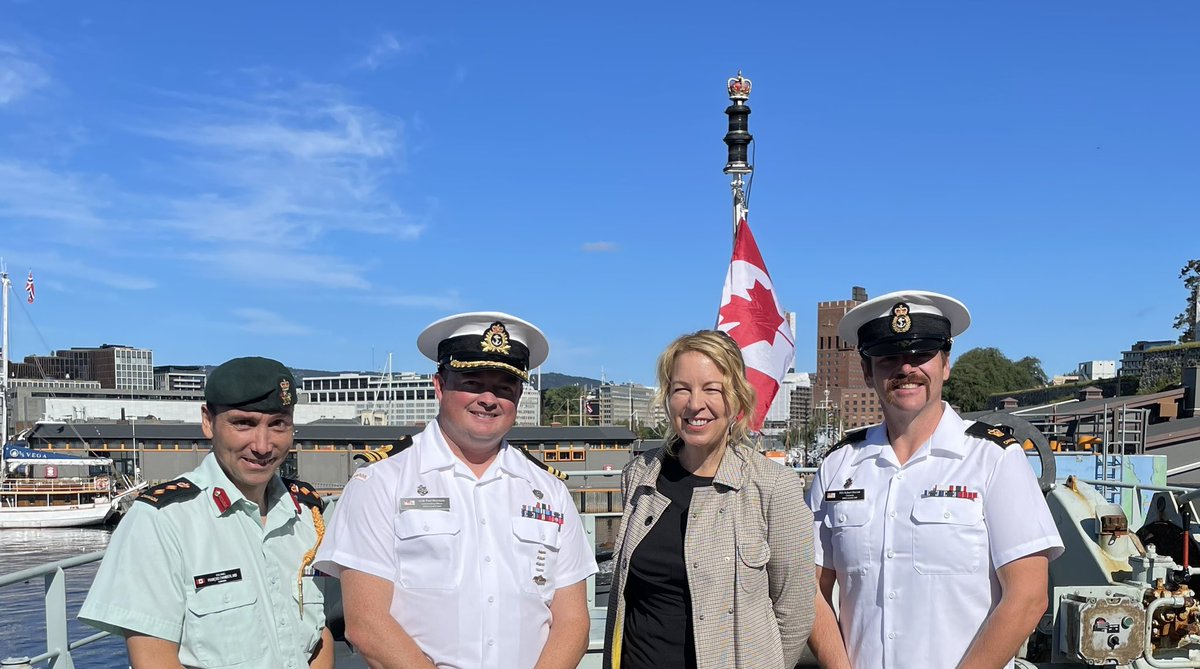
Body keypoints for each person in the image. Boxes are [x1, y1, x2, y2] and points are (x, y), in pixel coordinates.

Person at [314, 312, 597, 669]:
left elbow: (573, 624)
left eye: (505, 387)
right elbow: (367, 624)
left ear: (519, 396)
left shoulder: (548, 491)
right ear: (439, 385)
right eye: (473, 382)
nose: (489, 399)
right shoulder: (381, 482)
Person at [806, 290, 1064, 668]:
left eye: (921, 355)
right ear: (867, 370)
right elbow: (808, 589)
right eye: (889, 357)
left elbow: (1027, 596)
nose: (906, 369)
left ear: (945, 364)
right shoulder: (838, 466)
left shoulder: (993, 459)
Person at [79, 356, 333, 669]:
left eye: (278, 424)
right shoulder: (162, 521)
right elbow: (155, 660)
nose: (263, 446)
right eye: (244, 423)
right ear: (207, 422)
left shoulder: (306, 515)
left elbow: (319, 638)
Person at [603, 330, 817, 669]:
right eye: (681, 389)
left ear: (736, 399)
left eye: (712, 389)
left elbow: (795, 612)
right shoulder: (639, 476)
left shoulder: (773, 487)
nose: (694, 404)